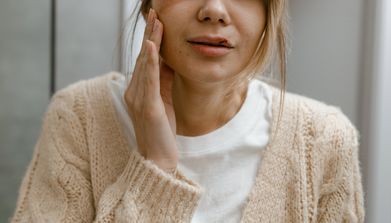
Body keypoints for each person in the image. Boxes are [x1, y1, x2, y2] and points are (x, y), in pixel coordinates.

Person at [11, 0, 365, 222]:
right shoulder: (80, 116)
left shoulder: (325, 140)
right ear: (150, 7)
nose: (214, 9)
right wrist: (157, 168)